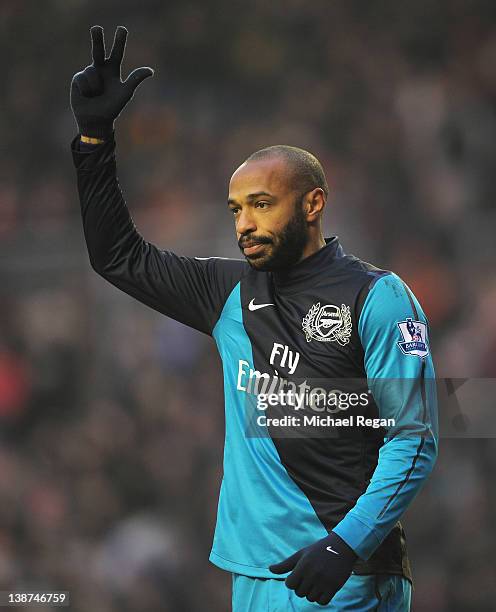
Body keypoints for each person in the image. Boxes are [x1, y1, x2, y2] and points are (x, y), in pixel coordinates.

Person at [70, 26, 438, 611]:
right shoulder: (227, 291)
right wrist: (93, 140)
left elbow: (414, 441)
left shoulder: (380, 298)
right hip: (252, 576)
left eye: (262, 204)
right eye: (236, 209)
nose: (243, 223)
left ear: (313, 203)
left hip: (348, 577)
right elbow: (118, 257)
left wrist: (345, 545)